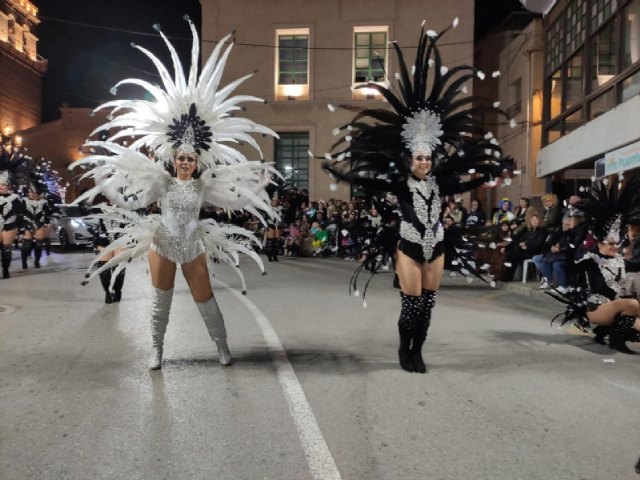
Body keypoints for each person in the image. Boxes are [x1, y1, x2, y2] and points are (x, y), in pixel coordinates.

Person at [71, 18, 279, 370]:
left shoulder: (203, 185)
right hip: (162, 243)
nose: (184, 162)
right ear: (173, 159)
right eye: (180, 158)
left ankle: (222, 346)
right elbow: (132, 202)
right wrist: (106, 185)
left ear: (197, 162)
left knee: (205, 299)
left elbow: (235, 202)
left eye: (189, 159)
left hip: (193, 245)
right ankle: (156, 351)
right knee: (160, 301)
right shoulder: (162, 183)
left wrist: (258, 186)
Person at [323, 20, 515, 373]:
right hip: (409, 247)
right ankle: (404, 349)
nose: (424, 162)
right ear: (410, 159)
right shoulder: (400, 184)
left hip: (436, 247)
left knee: (427, 305)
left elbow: (468, 183)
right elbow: (368, 181)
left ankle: (418, 350)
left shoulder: (442, 182)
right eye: (419, 158)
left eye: (427, 157)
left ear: (432, 158)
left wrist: (493, 170)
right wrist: (338, 173)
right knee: (411, 305)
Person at [550, 176, 640, 354]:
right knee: (632, 304)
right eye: (610, 243)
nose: (615, 247)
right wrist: (574, 242)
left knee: (634, 307)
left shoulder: (619, 259)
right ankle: (615, 339)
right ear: (599, 241)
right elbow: (573, 263)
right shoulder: (591, 259)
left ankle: (605, 331)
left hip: (616, 308)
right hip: (596, 309)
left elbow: (636, 265)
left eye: (617, 244)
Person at [502, 214, 546, 281]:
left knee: (514, 255)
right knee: (508, 253)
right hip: (524, 251)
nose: (534, 221)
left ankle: (508, 277)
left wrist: (526, 244)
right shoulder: (530, 231)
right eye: (532, 220)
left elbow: (539, 243)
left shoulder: (542, 231)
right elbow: (519, 240)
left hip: (534, 252)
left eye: (536, 220)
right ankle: (503, 274)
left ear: (539, 221)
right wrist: (520, 244)